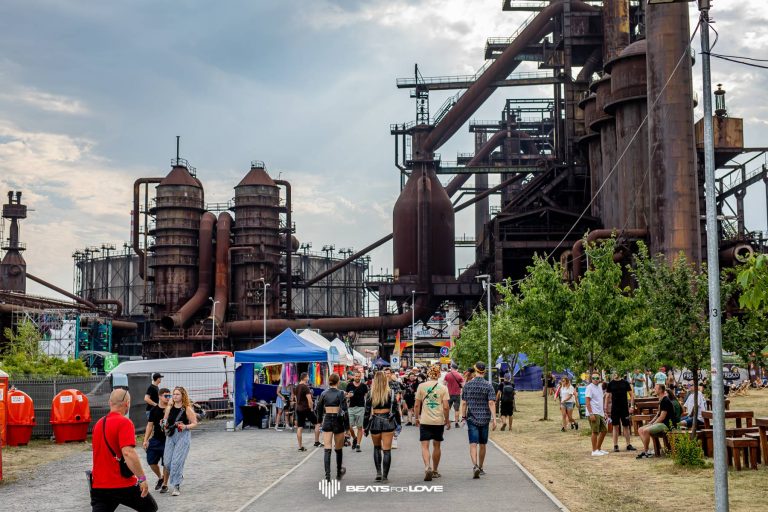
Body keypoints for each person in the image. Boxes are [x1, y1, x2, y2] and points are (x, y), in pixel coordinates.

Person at [90, 389, 158, 512]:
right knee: (150, 508)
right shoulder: (124, 422)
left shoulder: (98, 424)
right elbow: (128, 453)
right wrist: (142, 478)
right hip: (122, 484)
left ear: (110, 402)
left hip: (99, 485)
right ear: (127, 403)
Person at [460, 362, 497, 479]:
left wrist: (463, 416)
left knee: (473, 444)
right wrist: (494, 419)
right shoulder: (488, 385)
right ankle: (481, 467)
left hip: (472, 418)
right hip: (485, 419)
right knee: (483, 444)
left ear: (475, 371)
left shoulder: (468, 385)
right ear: (484, 371)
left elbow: (464, 403)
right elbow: (491, 402)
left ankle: (475, 465)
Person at [414, 365, 451, 481]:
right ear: (439, 375)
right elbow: (446, 407)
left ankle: (427, 467)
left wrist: (416, 418)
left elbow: (416, 405)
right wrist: (447, 420)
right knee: (437, 445)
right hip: (438, 421)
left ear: (428, 374)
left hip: (425, 420)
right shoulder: (443, 388)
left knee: (425, 446)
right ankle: (435, 470)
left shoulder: (421, 386)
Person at [363, 371, 400, 481]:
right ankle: (385, 476)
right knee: (387, 450)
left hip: (375, 421)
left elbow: (367, 412)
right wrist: (398, 424)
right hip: (388, 422)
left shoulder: (370, 393)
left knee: (376, 448)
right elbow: (395, 410)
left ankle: (378, 473)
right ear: (385, 380)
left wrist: (365, 426)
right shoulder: (391, 392)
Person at [161, 386, 198, 496]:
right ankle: (178, 474)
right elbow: (165, 421)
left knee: (176, 462)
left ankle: (176, 486)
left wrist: (185, 426)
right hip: (171, 436)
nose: (175, 396)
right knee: (167, 462)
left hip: (183, 436)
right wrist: (163, 424)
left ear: (183, 396)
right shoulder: (169, 408)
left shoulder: (187, 409)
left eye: (177, 394)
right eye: (174, 394)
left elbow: (195, 423)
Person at [316, 373, 349, 481]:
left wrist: (319, 421)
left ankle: (327, 476)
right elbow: (344, 410)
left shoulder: (323, 393)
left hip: (327, 419)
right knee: (338, 449)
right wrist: (347, 427)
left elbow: (319, 409)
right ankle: (339, 472)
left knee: (327, 448)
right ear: (338, 382)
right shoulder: (341, 393)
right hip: (338, 420)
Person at [636, 383, 675, 459]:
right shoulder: (661, 400)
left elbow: (662, 417)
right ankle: (647, 451)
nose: (654, 389)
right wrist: (651, 423)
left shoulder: (665, 400)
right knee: (640, 429)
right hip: (661, 423)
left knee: (646, 431)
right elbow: (657, 415)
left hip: (667, 424)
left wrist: (652, 424)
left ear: (660, 390)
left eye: (655, 388)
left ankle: (646, 452)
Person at [142, 387, 170, 491]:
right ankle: (161, 477)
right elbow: (149, 426)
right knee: (151, 461)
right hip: (156, 439)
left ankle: (165, 485)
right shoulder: (154, 410)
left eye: (169, 396)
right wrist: (145, 440)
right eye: (166, 396)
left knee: (166, 463)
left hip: (168, 440)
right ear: (159, 396)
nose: (168, 398)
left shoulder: (172, 409)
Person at [605, 372, 636, 452]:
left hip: (624, 408)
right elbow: (607, 396)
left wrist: (632, 406)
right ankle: (615, 445)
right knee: (615, 426)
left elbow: (632, 394)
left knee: (626, 426)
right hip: (615, 408)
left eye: (617, 371)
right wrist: (605, 408)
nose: (616, 373)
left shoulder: (625, 382)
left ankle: (628, 445)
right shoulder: (611, 383)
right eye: (614, 372)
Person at [294, 372, 320, 451]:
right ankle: (316, 442)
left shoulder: (296, 387)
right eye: (308, 376)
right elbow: (310, 400)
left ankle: (300, 446)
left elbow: (295, 398)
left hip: (299, 409)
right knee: (317, 423)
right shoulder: (305, 387)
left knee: (300, 427)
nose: (308, 378)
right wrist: (311, 408)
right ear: (305, 377)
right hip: (306, 409)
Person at [345, 370, 368, 452]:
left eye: (359, 376)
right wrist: (348, 396)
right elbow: (346, 395)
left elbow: (366, 397)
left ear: (360, 376)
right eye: (356, 376)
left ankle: (358, 445)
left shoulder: (364, 386)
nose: (357, 378)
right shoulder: (349, 385)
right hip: (351, 408)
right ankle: (354, 438)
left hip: (361, 408)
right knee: (350, 426)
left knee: (359, 427)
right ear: (353, 376)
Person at [585, 373, 608, 456]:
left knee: (604, 430)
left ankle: (598, 448)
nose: (595, 379)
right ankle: (594, 450)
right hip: (593, 412)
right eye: (594, 378)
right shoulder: (589, 387)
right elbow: (587, 401)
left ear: (599, 378)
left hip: (600, 412)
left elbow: (600, 400)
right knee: (595, 432)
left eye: (597, 378)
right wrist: (591, 413)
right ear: (591, 379)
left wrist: (604, 412)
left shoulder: (600, 386)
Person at [444, 363, 465, 427]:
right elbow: (463, 385)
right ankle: (456, 423)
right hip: (457, 394)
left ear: (452, 368)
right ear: (456, 368)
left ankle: (446, 421)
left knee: (447, 408)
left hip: (449, 394)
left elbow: (444, 384)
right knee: (457, 409)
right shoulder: (459, 375)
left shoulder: (447, 375)